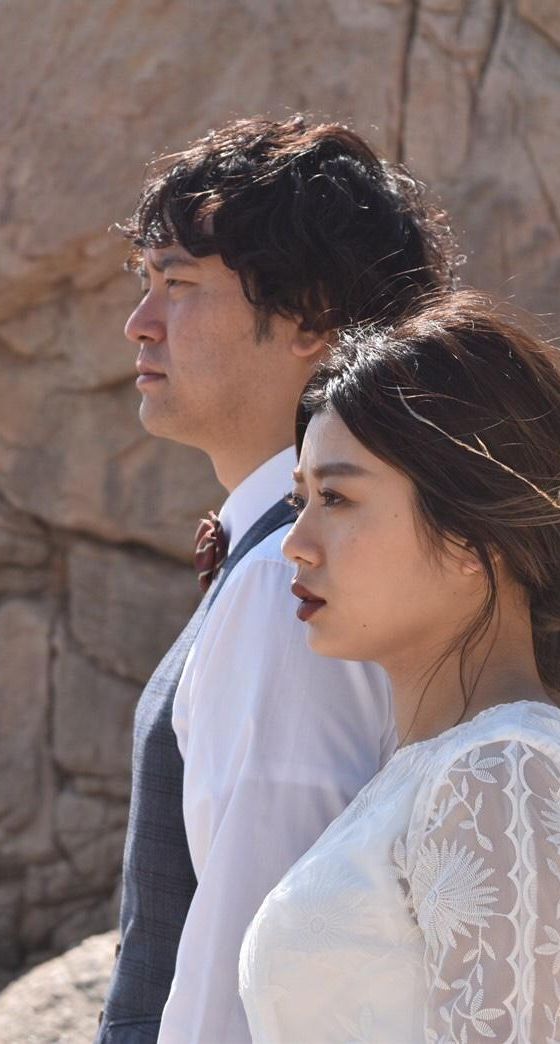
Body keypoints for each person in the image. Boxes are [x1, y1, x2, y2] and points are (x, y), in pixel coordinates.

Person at [96, 115, 460, 1044]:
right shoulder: (320, 560)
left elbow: (255, 967)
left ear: (311, 317)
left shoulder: (291, 585)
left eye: (178, 283)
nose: (140, 323)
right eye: (145, 282)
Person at [240, 296, 560, 1042]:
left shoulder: (501, 768)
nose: (294, 542)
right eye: (299, 500)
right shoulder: (439, 770)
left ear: (470, 534)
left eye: (337, 498)